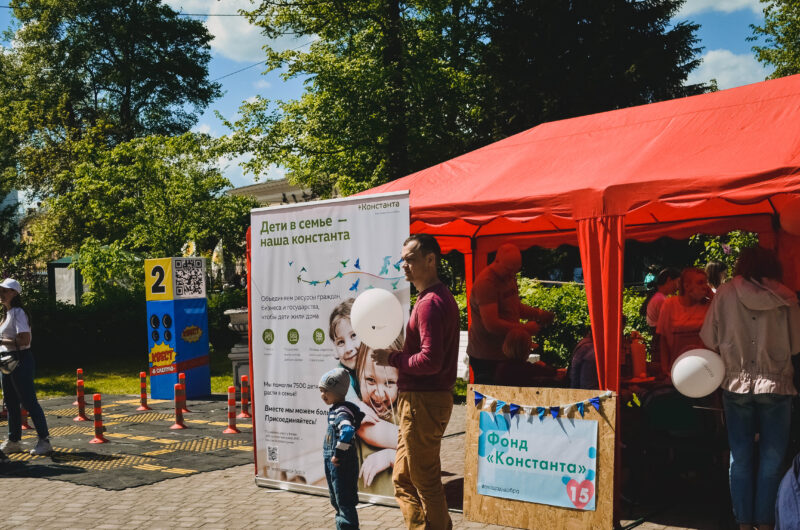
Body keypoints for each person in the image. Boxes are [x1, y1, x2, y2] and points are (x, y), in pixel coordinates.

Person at [700, 247, 800, 530]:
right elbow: (796, 345)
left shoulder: (725, 294)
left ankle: (744, 524)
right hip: (777, 384)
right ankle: (766, 524)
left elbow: (709, 338)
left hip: (735, 383)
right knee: (772, 459)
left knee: (740, 457)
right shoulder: (787, 296)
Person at [372, 234, 460, 530]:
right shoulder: (434, 298)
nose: (404, 265)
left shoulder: (430, 304)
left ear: (430, 260)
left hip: (423, 402)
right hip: (422, 401)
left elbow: (429, 361)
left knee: (424, 480)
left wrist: (392, 358)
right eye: (403, 259)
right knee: (402, 477)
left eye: (410, 259)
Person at [467, 243, 554, 384]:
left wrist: (538, 313)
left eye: (515, 271)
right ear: (497, 261)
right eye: (509, 270)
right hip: (487, 356)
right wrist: (525, 329)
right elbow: (492, 324)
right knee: (492, 402)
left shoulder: (508, 276)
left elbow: (514, 307)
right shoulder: (486, 283)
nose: (512, 275)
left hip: (504, 354)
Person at [0, 278, 51, 456]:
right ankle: (14, 441)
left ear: (15, 293)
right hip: (7, 361)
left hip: (20, 360)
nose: (2, 293)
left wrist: (1, 341)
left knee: (29, 401)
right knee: (11, 402)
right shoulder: (7, 313)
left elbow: (25, 340)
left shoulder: (19, 313)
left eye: (5, 290)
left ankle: (44, 441)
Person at [319, 367, 366, 530]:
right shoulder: (338, 409)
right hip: (336, 465)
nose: (322, 395)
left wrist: (338, 454)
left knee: (344, 500)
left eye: (325, 391)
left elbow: (347, 431)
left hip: (341, 464)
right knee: (338, 499)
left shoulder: (342, 411)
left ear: (337, 391)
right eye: (321, 391)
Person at [355, 339, 401, 494]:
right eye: (370, 380)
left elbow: (422, 459)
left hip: (392, 510)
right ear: (358, 373)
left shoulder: (404, 413)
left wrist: (391, 457)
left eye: (389, 383)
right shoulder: (356, 414)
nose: (379, 393)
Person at [656, 267, 712, 376]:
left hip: (704, 368)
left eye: (706, 283)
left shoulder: (708, 305)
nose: (705, 287)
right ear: (686, 286)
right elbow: (663, 339)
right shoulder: (670, 305)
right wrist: (665, 368)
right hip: (677, 367)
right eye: (700, 283)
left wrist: (712, 296)